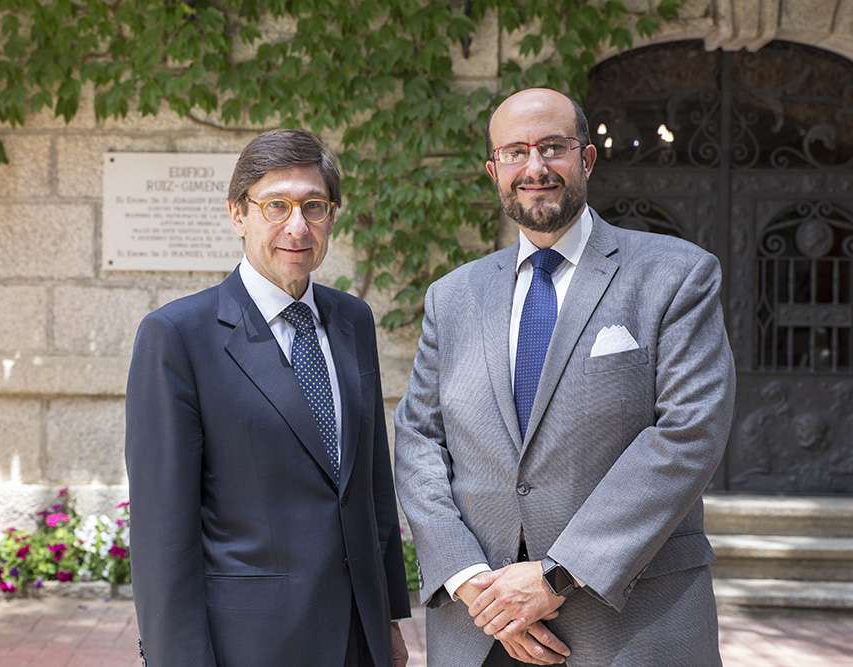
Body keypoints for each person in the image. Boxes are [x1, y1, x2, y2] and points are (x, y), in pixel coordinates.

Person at [394, 88, 735, 666]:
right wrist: (469, 579)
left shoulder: (676, 275)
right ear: (494, 170)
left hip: (631, 630)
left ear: (587, 158)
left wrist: (558, 573)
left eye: (553, 147)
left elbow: (689, 433)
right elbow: (419, 439)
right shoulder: (452, 297)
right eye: (515, 152)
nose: (535, 168)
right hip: (481, 631)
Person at [125, 129, 411, 666]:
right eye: (276, 205)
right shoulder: (178, 336)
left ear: (331, 217)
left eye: (314, 206)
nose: (297, 226)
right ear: (238, 214)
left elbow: (372, 482)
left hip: (359, 635)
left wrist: (390, 619)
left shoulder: (353, 320)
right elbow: (163, 532)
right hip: (251, 644)